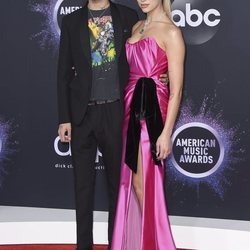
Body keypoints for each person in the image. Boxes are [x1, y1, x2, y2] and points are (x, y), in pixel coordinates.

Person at [57, 0, 168, 249]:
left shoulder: (129, 17)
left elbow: (149, 50)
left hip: (117, 112)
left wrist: (165, 71)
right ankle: (83, 245)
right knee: (82, 188)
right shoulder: (72, 21)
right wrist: (64, 117)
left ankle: (115, 244)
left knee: (117, 188)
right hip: (82, 115)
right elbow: (63, 72)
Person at [111, 0, 185, 249]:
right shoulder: (136, 26)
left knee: (145, 184)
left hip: (151, 113)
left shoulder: (172, 33)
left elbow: (176, 91)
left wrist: (166, 133)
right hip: (130, 111)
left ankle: (157, 244)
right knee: (132, 182)